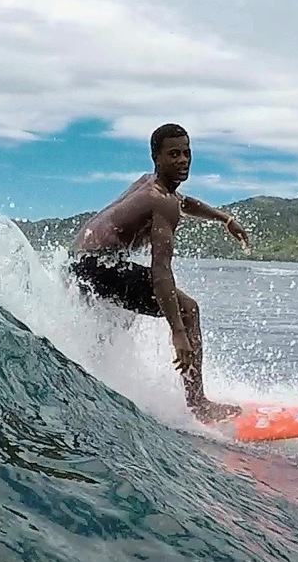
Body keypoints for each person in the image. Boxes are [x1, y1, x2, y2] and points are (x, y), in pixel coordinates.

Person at [66, 123, 250, 423]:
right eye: (174, 154)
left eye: (187, 153)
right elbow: (160, 271)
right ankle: (199, 405)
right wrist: (178, 331)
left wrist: (223, 218)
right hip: (97, 266)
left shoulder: (150, 185)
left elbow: (183, 201)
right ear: (157, 157)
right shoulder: (160, 201)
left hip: (78, 261)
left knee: (122, 314)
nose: (182, 160)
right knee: (188, 309)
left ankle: (98, 374)